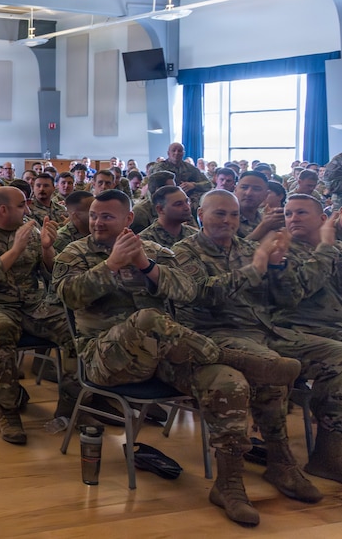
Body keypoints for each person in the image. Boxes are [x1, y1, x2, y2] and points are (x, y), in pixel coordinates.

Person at [52, 189, 311, 527]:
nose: (98, 222)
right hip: (106, 358)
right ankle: (229, 355)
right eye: (94, 216)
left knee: (227, 382)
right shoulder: (74, 253)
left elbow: (190, 291)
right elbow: (68, 296)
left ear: (128, 219)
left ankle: (230, 483)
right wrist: (111, 265)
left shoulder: (158, 253)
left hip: (166, 356)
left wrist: (145, 265)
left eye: (107, 216)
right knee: (148, 319)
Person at [174, 189, 342, 490]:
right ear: (200, 215)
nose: (229, 220)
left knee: (336, 354)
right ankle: (280, 459)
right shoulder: (184, 252)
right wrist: (257, 267)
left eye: (235, 215)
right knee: (273, 367)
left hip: (268, 331)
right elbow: (204, 294)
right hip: (218, 334)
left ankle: (329, 455)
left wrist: (278, 265)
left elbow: (289, 298)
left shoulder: (247, 247)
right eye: (220, 213)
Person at [0, 186, 78, 445]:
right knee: (0, 329)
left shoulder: (31, 233)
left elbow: (50, 275)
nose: (28, 209)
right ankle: (7, 411)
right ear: (3, 209)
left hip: (31, 304)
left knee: (72, 327)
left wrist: (46, 249)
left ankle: (72, 405)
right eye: (22, 205)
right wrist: (15, 250)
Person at [271, 193, 342, 341]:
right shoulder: (279, 251)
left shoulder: (337, 248)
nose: (294, 219)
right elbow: (296, 292)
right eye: (288, 214)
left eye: (301, 212)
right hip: (303, 329)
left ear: (323, 219)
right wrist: (326, 248)